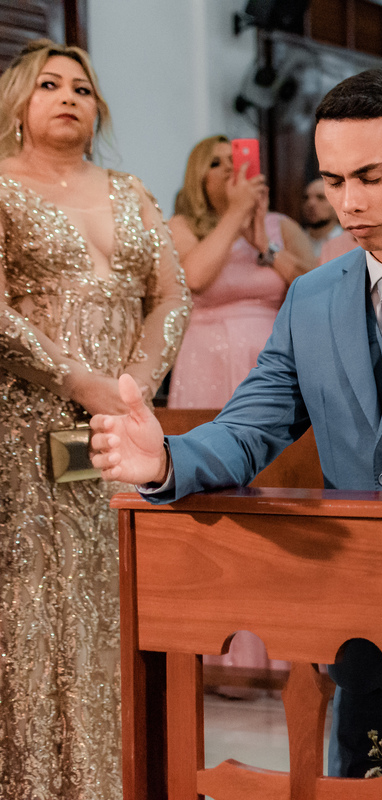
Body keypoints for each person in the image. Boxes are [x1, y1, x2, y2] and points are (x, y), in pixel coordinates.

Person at [89, 68, 382, 779]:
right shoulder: (310, 297)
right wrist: (165, 458)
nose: (349, 202)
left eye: (370, 177)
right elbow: (251, 425)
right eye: (334, 179)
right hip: (357, 621)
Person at [0, 39, 191, 799]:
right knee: (40, 607)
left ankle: (124, 777)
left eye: (81, 87)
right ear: (19, 102)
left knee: (119, 598)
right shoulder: (1, 187)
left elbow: (171, 294)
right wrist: (76, 379)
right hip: (27, 432)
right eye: (49, 84)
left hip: (119, 433)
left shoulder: (129, 189)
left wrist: (133, 387)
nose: (69, 97)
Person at [167, 136, 315, 409]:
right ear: (198, 179)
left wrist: (265, 246)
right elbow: (195, 278)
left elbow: (316, 286)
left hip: (271, 356)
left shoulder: (279, 226)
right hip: (207, 361)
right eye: (215, 163)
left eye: (233, 160)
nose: (228, 167)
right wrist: (236, 212)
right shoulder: (182, 226)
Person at [301, 176, 343, 254]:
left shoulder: (349, 242)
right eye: (306, 198)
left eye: (321, 198)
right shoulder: (296, 240)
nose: (310, 203)